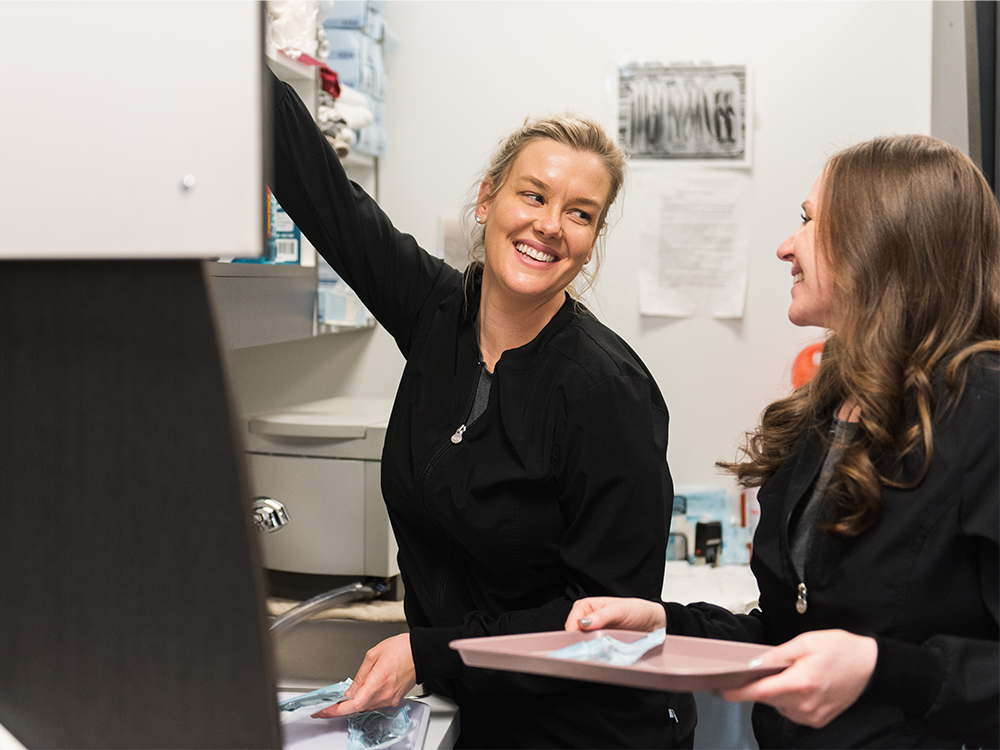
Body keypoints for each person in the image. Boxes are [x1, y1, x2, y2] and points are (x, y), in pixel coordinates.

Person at [266, 70, 696, 748]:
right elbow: (323, 193)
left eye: (580, 214)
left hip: (587, 733)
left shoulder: (606, 393)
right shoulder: (438, 313)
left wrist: (428, 651)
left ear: (592, 241)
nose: (550, 226)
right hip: (477, 711)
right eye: (534, 194)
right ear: (486, 199)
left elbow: (605, 627)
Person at [566, 134, 1000, 749]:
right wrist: (666, 628)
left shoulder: (984, 410)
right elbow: (788, 634)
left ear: (880, 241)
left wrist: (886, 671)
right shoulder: (828, 408)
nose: (785, 246)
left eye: (808, 220)